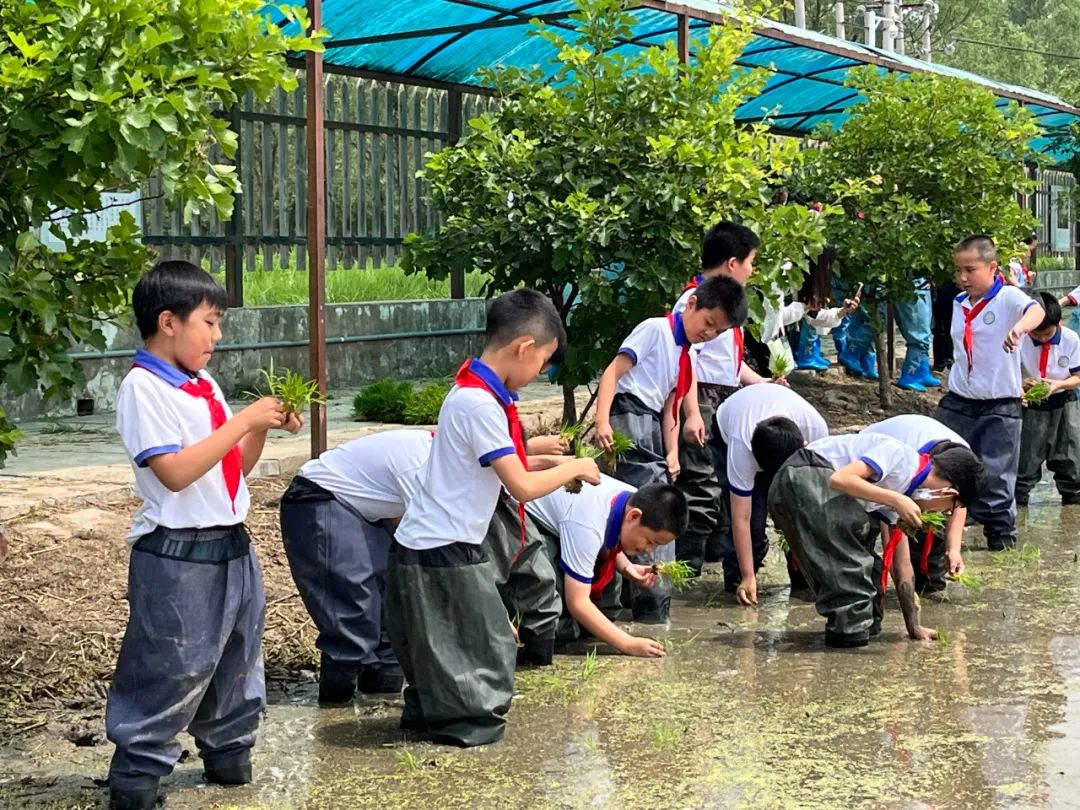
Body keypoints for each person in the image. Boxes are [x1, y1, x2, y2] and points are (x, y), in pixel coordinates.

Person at [106, 261, 303, 810]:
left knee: (238, 662)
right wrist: (243, 420)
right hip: (177, 555)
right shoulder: (143, 388)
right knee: (170, 665)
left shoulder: (201, 384)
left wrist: (256, 427)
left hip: (230, 544)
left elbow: (232, 466)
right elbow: (173, 472)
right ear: (168, 322)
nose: (217, 336)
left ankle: (229, 756)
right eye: (209, 323)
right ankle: (137, 780)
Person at [386, 289, 600, 748]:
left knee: (443, 651)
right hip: (441, 551)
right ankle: (460, 737)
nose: (540, 373)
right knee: (485, 656)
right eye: (542, 363)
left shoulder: (473, 392)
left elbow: (500, 473)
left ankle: (431, 721)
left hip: (433, 546)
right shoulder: (480, 404)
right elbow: (520, 488)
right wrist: (576, 467)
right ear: (524, 348)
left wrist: (544, 465)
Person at [594, 275, 747, 621]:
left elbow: (671, 407)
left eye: (718, 332)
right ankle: (646, 609)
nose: (709, 334)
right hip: (628, 418)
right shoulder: (654, 330)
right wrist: (603, 421)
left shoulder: (686, 356)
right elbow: (613, 373)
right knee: (643, 509)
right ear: (691, 304)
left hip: (652, 425)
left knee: (648, 504)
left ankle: (648, 607)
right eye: (708, 323)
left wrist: (673, 453)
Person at [761, 427, 985, 648]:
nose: (939, 514)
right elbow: (839, 479)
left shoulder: (905, 491)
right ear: (948, 493)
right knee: (853, 581)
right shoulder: (899, 455)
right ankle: (845, 657)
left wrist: (913, 626)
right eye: (948, 510)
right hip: (803, 477)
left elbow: (902, 568)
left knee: (872, 585)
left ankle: (857, 639)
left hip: (811, 489)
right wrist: (896, 500)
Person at [279, 429, 433, 705]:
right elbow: (428, 544)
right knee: (353, 613)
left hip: (371, 511)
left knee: (392, 616)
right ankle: (334, 713)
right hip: (321, 497)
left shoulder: (439, 459)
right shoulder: (420, 461)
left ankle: (383, 705)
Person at [934, 235, 1045, 551]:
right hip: (958, 401)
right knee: (943, 463)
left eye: (970, 269)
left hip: (999, 405)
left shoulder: (1008, 297)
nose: (963, 277)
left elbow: (1034, 311)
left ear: (992, 266)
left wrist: (1019, 329)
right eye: (958, 270)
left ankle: (1000, 537)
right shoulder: (959, 303)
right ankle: (942, 530)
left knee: (996, 474)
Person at [673, 222, 761, 576]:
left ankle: (713, 560)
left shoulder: (724, 304)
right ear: (732, 263)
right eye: (751, 262)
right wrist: (693, 412)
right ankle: (685, 569)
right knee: (702, 485)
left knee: (723, 482)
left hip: (723, 399)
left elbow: (730, 365)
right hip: (702, 400)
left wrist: (763, 383)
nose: (752, 270)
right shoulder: (695, 303)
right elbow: (688, 362)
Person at [526, 476, 688, 657]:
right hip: (524, 516)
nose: (649, 551)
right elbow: (578, 602)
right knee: (548, 589)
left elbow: (607, 533)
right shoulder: (587, 522)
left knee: (608, 592)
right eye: (650, 541)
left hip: (566, 519)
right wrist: (628, 643)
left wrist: (627, 567)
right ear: (634, 516)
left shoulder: (632, 497)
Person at [713, 385, 828, 605]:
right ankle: (739, 586)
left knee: (800, 515)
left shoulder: (816, 431)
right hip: (728, 424)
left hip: (781, 441)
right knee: (754, 523)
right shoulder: (742, 450)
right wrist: (747, 575)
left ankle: (804, 582)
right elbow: (741, 519)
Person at [860, 415, 971, 594]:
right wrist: (903, 583)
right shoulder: (904, 464)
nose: (946, 512)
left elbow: (959, 502)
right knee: (865, 543)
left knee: (927, 534)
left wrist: (953, 549)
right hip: (869, 468)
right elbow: (891, 533)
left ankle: (925, 586)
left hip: (921, 471)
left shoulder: (963, 462)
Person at [1016, 292, 1080, 506]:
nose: (1042, 339)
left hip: (1064, 399)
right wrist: (1023, 385)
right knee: (1027, 454)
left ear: (1058, 323)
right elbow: (1011, 373)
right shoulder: (1020, 339)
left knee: (1069, 451)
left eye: (1047, 334)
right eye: (1037, 335)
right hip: (1033, 402)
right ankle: (1019, 500)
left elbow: (1078, 377)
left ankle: (1072, 499)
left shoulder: (1070, 339)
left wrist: (1059, 384)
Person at [894, 279, 942, 392]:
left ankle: (922, 372)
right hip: (910, 286)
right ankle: (910, 375)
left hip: (921, 285)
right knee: (918, 334)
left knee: (925, 331)